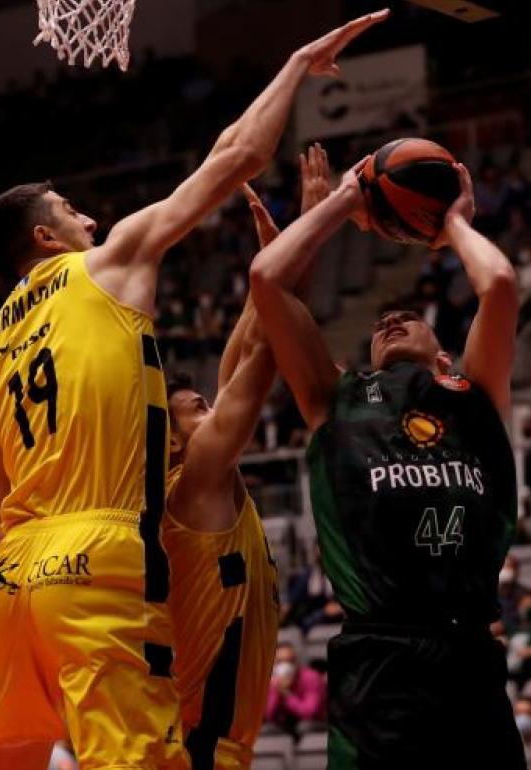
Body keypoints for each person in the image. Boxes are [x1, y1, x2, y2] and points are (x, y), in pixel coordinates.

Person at [0, 13, 388, 768]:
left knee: (12, 758)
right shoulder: (103, 266)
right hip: (93, 551)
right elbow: (239, 155)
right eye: (71, 211)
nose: (92, 218)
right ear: (45, 239)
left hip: (13, 572)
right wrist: (293, 60)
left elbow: (0, 491)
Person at [249, 158, 524, 766]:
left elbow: (500, 283)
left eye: (408, 319)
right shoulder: (334, 396)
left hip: (470, 658)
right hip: (379, 658)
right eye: (380, 325)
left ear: (445, 357)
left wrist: (452, 222)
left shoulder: (474, 394)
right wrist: (344, 200)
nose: (390, 319)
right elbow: (267, 277)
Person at [161, 147, 332, 768]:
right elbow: (264, 364)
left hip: (211, 744)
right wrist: (303, 248)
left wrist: (271, 267)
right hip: (199, 749)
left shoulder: (204, 477)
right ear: (172, 439)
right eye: (196, 407)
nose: (215, 407)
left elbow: (243, 355)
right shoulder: (191, 486)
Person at [263, 643, 328, 733]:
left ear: (296, 662)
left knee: (303, 726)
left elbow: (309, 712)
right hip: (285, 722)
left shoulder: (311, 677)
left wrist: (286, 693)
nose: (285, 666)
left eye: (290, 661)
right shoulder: (271, 680)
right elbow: (269, 714)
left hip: (316, 722)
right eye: (280, 662)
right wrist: (276, 690)